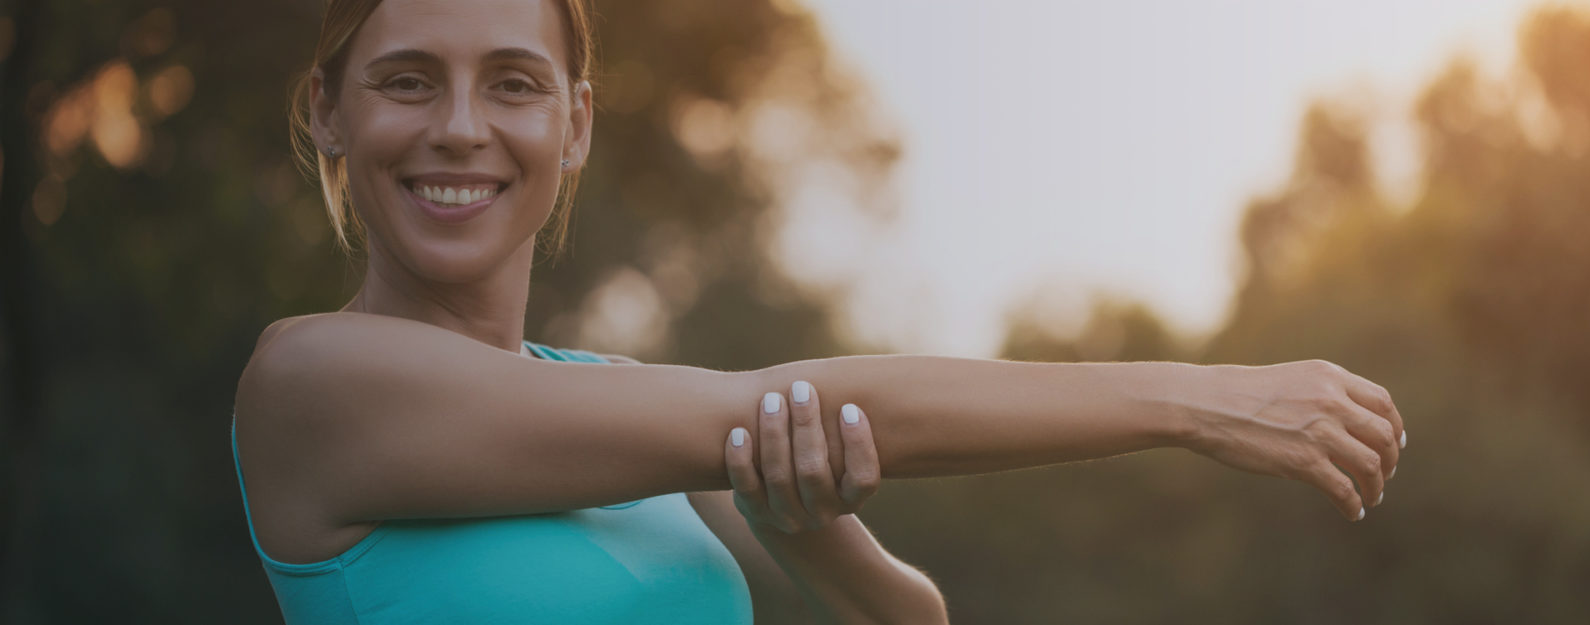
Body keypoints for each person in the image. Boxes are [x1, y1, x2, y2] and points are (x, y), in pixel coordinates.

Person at [231, 0, 1407, 623]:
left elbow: (907, 621)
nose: (459, 125)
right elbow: (786, 399)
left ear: (575, 123)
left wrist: (808, 529)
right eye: (405, 79)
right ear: (328, 111)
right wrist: (1200, 397)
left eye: (514, 82)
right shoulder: (314, 382)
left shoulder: (626, 407)